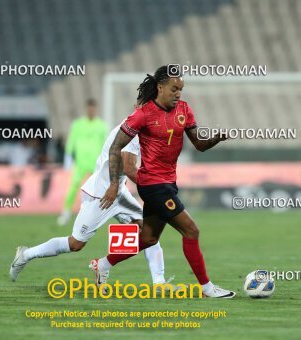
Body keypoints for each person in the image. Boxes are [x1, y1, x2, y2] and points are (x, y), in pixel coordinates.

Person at [91, 65, 236, 298]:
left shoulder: (184, 109)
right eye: (173, 89)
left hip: (168, 183)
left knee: (148, 239)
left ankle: (103, 265)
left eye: (181, 89)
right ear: (160, 87)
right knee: (191, 230)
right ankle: (207, 288)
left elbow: (199, 144)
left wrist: (215, 139)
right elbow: (116, 147)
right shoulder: (143, 114)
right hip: (153, 185)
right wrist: (113, 184)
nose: (178, 93)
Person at [10, 124, 170, 287]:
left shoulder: (145, 129)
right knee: (75, 244)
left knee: (150, 232)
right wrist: (156, 188)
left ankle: (159, 283)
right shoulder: (131, 131)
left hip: (119, 192)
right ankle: (26, 254)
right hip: (101, 195)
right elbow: (129, 168)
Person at [57, 99, 108, 226]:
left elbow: (105, 144)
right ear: (86, 109)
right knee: (74, 187)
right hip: (80, 163)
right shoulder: (77, 124)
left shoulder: (101, 125)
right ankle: (66, 212)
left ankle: (97, 215)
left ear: (95, 110)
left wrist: (105, 160)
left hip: (96, 163)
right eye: (89, 108)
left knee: (98, 189)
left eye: (93, 109)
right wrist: (68, 158)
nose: (91, 111)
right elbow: (71, 141)